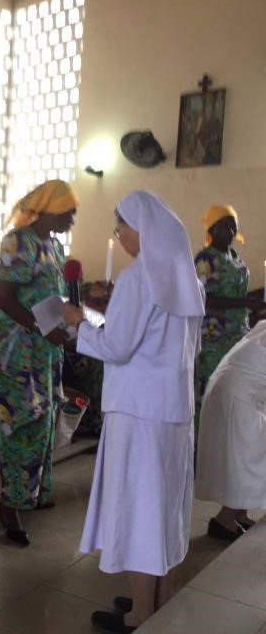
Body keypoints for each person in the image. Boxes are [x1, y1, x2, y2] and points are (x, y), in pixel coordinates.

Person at [63, 191, 205, 633]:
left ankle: (141, 615)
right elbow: (183, 347)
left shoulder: (138, 277)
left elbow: (117, 347)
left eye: (121, 225)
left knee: (141, 510)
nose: (119, 234)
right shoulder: (188, 279)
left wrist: (78, 321)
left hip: (138, 414)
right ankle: (160, 601)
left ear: (143, 229)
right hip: (174, 412)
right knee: (167, 511)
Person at [0, 180, 78, 546]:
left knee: (43, 419)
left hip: (43, 347)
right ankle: (9, 504)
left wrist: (70, 321)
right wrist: (42, 328)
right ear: (50, 210)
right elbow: (3, 297)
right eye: (68, 212)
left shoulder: (54, 246)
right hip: (17, 348)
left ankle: (32, 492)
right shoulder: (17, 242)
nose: (72, 220)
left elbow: (52, 297)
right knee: (19, 422)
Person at [196, 321, 266, 541]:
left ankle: (240, 515)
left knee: (245, 460)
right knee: (246, 460)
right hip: (237, 395)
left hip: (233, 391)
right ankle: (224, 520)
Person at [194, 205, 260, 434]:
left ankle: (228, 441)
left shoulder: (235, 257)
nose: (230, 231)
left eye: (233, 226)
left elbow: (239, 295)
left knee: (232, 390)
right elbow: (203, 299)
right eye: (224, 226)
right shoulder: (206, 259)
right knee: (213, 390)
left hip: (237, 335)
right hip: (214, 338)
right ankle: (205, 443)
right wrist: (244, 303)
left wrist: (255, 300)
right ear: (212, 229)